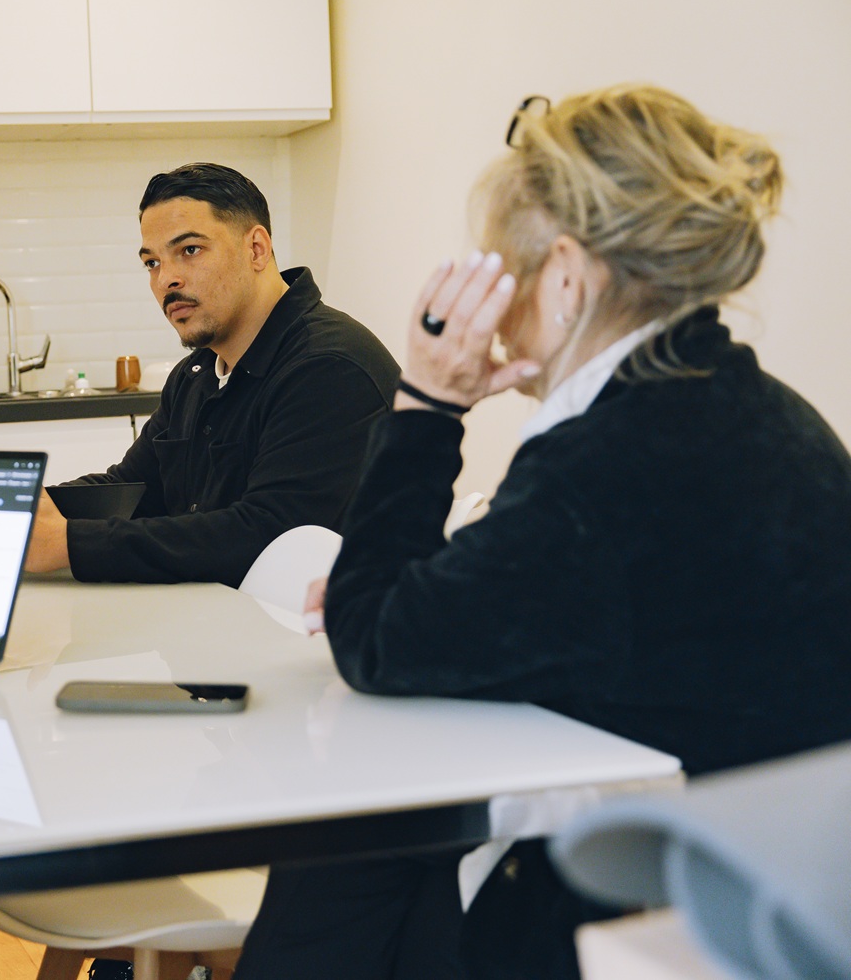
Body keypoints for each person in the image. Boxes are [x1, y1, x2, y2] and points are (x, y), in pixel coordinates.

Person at [239, 85, 851, 979]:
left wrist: (430, 400)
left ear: (564, 278)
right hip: (777, 876)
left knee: (340, 867)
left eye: (497, 270)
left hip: (665, 896)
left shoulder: (605, 458)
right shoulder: (756, 412)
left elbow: (371, 638)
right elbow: (572, 601)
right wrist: (418, 595)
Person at [24, 162, 400, 585]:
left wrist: (67, 543)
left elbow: (266, 536)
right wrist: (16, 512)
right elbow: (132, 490)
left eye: (189, 250)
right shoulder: (195, 375)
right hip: (230, 624)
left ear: (256, 249)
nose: (166, 279)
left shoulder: (329, 367)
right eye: (151, 262)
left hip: (326, 639)